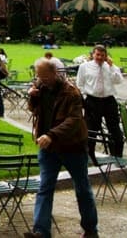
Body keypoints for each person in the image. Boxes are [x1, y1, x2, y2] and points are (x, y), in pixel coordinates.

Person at [25, 56, 99, 238]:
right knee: (45, 187)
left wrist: (51, 135)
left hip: (73, 146)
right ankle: (41, 231)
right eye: (39, 77)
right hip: (49, 148)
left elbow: (74, 120)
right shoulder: (41, 89)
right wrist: (32, 98)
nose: (42, 80)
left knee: (82, 188)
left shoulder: (71, 92)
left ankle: (90, 229)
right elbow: (35, 111)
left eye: (45, 77)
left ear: (55, 73)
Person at [77, 44, 125, 158]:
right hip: (92, 101)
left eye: (102, 55)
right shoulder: (85, 67)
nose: (100, 57)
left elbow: (118, 80)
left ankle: (117, 155)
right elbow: (80, 84)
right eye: (97, 55)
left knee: (114, 129)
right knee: (91, 129)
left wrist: (111, 66)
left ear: (106, 56)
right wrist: (84, 97)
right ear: (93, 54)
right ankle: (89, 156)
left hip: (109, 100)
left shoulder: (111, 67)